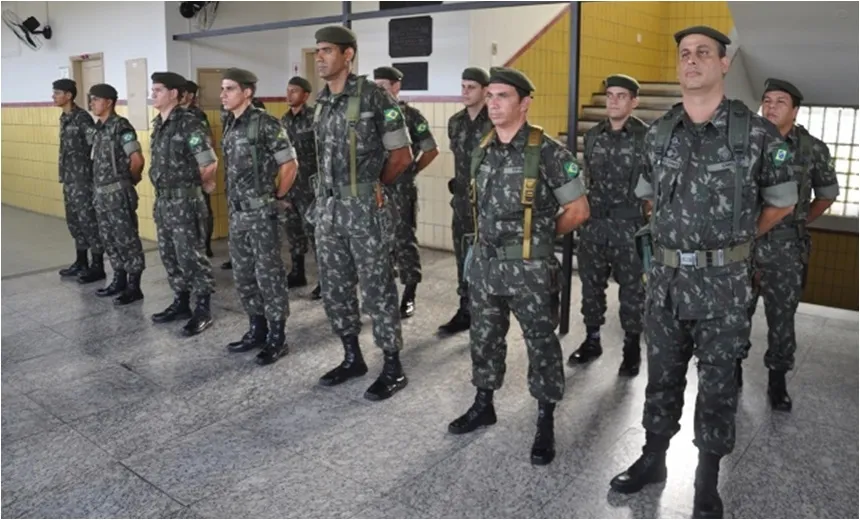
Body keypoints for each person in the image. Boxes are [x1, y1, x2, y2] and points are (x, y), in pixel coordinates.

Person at [608, 26, 798, 519]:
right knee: (662, 378)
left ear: (723, 64)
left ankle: (706, 479)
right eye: (685, 54)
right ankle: (653, 459)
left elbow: (781, 202)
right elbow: (647, 195)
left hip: (725, 288)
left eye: (703, 53)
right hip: (667, 283)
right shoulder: (658, 131)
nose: (691, 61)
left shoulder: (757, 134)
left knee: (718, 385)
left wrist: (736, 242)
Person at [446, 67, 589, 466]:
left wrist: (538, 241)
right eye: (489, 95)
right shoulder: (483, 148)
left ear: (525, 103)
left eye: (502, 96)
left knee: (541, 345)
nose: (493, 103)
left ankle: (545, 419)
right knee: (484, 340)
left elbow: (578, 210)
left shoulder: (549, 152)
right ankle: (483, 403)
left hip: (528, 271)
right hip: (487, 267)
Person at [312, 25, 414, 401]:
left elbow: (402, 156)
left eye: (327, 50)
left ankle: (392, 365)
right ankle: (352, 356)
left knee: (377, 288)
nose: (320, 57)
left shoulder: (374, 98)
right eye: (317, 51)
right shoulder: (321, 102)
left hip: (363, 211)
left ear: (348, 54)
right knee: (336, 288)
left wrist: (372, 187)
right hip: (328, 210)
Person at [740, 78, 839, 410]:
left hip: (786, 250)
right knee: (735, 313)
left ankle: (777, 381)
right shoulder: (744, 144)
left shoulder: (811, 148)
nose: (770, 107)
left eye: (780, 102)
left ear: (795, 110)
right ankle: (731, 372)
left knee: (781, 318)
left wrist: (799, 221)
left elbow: (826, 195)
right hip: (744, 245)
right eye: (766, 100)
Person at [569, 74, 648, 376]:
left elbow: (654, 184)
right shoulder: (592, 135)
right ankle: (592, 340)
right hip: (594, 225)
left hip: (629, 227)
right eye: (610, 95)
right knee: (591, 288)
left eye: (621, 96)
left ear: (634, 101)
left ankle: (631, 348)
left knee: (632, 293)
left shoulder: (646, 137)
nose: (613, 101)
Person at [221, 68, 298, 366]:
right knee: (244, 274)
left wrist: (275, 198)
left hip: (261, 213)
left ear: (247, 92)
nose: (223, 94)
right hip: (238, 214)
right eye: (223, 89)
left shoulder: (266, 124)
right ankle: (257, 329)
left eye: (229, 89)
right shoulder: (231, 123)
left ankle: (277, 337)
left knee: (269, 274)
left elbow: (289, 165)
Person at [148, 71, 219, 337]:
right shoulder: (159, 124)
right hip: (164, 202)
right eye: (153, 89)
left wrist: (196, 188)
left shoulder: (188, 123)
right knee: (170, 255)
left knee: (191, 256)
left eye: (158, 90)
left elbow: (209, 161)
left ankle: (202, 307)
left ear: (174, 94)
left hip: (185, 202)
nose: (153, 94)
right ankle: (181, 302)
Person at [373, 65, 440, 319]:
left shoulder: (411, 116)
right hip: (376, 189)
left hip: (400, 191)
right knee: (380, 242)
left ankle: (409, 293)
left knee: (404, 242)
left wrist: (410, 171)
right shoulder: (371, 116)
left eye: (383, 86)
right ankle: (384, 293)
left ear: (396, 87)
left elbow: (431, 150)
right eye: (375, 86)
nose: (378, 91)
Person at [439, 67, 492, 335]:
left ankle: (486, 312)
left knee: (486, 259)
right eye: (463, 87)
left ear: (485, 90)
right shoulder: (456, 122)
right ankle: (465, 309)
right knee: (463, 258)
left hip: (487, 205)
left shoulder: (494, 122)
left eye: (471, 87)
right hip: (461, 204)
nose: (465, 92)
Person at [87, 83, 147, 305]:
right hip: (102, 196)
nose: (92, 103)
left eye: (95, 99)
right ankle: (119, 280)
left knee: (127, 240)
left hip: (118, 195)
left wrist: (129, 181)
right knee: (110, 240)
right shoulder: (99, 129)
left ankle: (134, 286)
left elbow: (137, 160)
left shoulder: (121, 127)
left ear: (109, 102)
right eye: (91, 99)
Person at [53, 78, 104, 284]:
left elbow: (97, 145)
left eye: (57, 93)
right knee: (74, 221)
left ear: (69, 95)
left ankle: (97, 266)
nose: (54, 97)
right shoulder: (64, 118)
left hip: (83, 180)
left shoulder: (82, 118)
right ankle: (81, 261)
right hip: (69, 179)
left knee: (88, 222)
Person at [281, 76, 321, 299]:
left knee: (316, 234)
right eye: (288, 90)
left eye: (294, 91)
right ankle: (297, 272)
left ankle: (325, 280)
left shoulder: (315, 118)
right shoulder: (284, 121)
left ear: (305, 95)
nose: (289, 95)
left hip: (311, 188)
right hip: (291, 187)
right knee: (293, 232)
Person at [182, 80, 215, 258]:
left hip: (199, 170)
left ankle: (205, 245)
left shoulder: (197, 115)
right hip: (183, 174)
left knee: (203, 210)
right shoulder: (177, 115)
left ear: (190, 95)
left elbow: (209, 141)